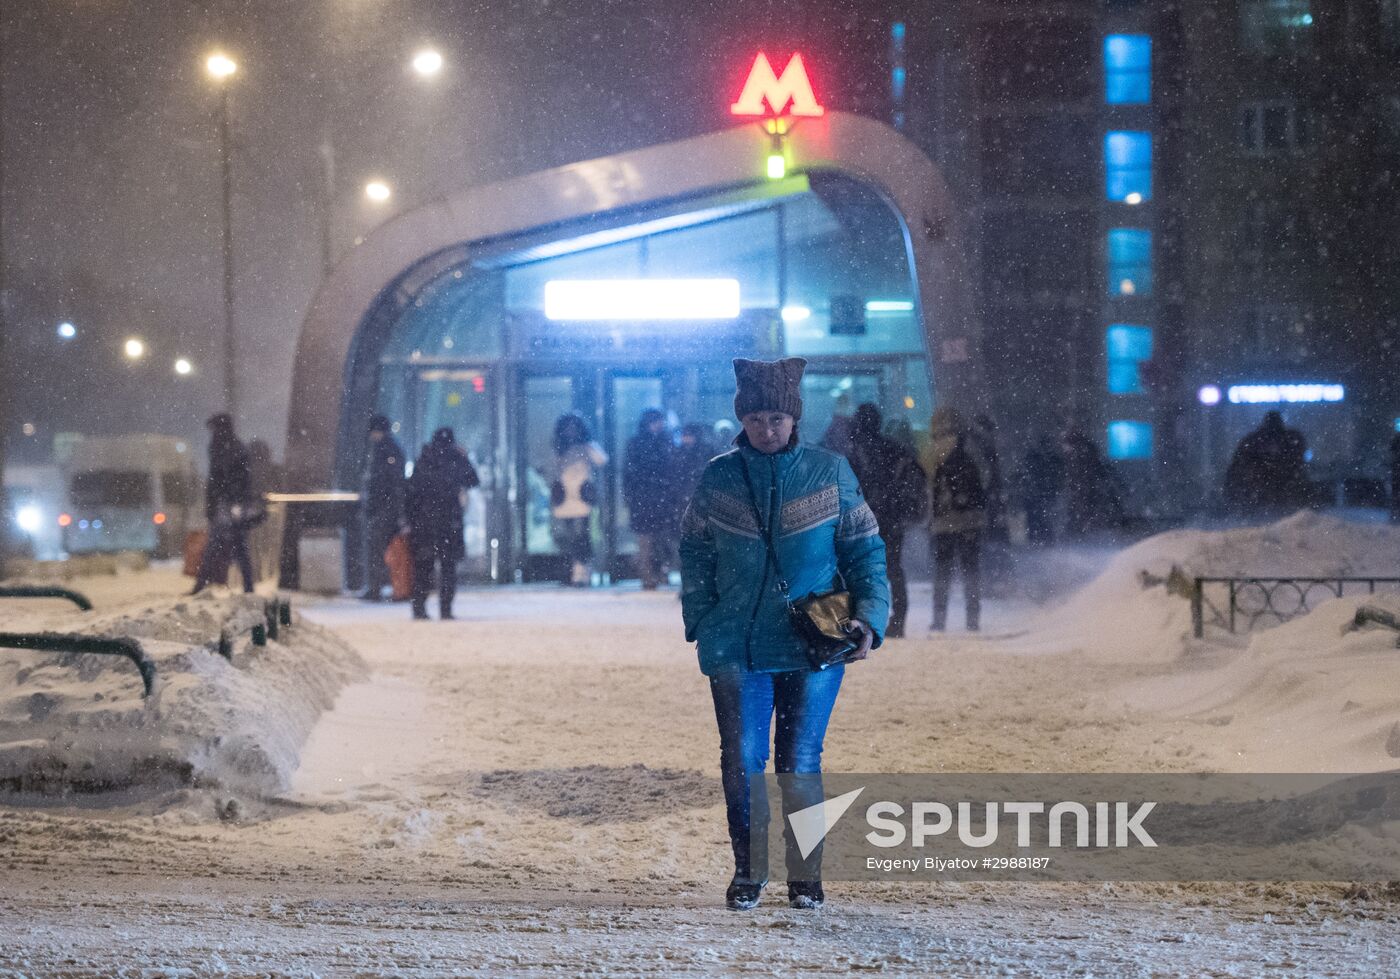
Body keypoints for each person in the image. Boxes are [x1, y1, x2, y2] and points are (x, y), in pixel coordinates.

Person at [680, 357, 890, 912]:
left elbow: (865, 549)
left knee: (799, 758)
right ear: (742, 420)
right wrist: (702, 617)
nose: (767, 428)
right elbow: (695, 552)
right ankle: (749, 870)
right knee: (742, 758)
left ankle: (805, 874)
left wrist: (869, 616)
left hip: (812, 642)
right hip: (736, 644)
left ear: (794, 418)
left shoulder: (831, 471)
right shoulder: (717, 476)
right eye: (755, 418)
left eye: (776, 417)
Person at [847, 403, 926, 638]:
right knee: (893, 569)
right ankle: (898, 619)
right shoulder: (895, 450)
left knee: (860, 570)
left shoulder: (856, 452)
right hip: (891, 518)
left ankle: (862, 621)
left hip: (863, 521)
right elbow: (915, 476)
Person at [921, 407, 987, 632]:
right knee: (969, 571)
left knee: (944, 572)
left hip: (947, 523)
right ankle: (972, 618)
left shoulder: (941, 458)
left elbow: (935, 491)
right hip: (967, 522)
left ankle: (941, 619)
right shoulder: (968, 454)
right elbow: (980, 488)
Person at [405, 427, 479, 620]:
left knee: (423, 567)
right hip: (449, 521)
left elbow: (412, 493)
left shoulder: (424, 459)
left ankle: (419, 608)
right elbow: (473, 480)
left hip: (425, 523)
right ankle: (445, 609)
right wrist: (464, 457)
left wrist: (411, 519)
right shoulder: (455, 458)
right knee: (448, 567)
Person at [191, 413, 257, 594]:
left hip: (227, 505)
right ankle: (247, 587)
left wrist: (220, 502)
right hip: (229, 505)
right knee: (235, 547)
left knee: (217, 547)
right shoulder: (230, 447)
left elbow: (218, 480)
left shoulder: (224, 448)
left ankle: (201, 585)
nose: (212, 432)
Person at [622, 408, 678, 589]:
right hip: (650, 498)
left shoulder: (657, 442)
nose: (660, 425)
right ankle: (649, 574)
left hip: (653, 498)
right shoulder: (658, 443)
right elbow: (630, 473)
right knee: (648, 539)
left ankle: (655, 572)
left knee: (656, 539)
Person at [550, 412, 608, 586]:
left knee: (582, 535)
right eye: (567, 428)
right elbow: (551, 467)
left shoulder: (587, 446)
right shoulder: (558, 447)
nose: (571, 431)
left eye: (574, 428)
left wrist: (588, 445)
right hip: (564, 497)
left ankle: (582, 572)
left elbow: (602, 460)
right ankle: (571, 570)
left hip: (582, 497)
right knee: (568, 537)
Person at [1223, 410, 1309, 516]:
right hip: (1270, 486)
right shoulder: (1290, 439)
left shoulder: (1253, 440)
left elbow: (1239, 462)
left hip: (1268, 486)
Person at [359, 415, 406, 601]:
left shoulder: (383, 450)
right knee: (387, 550)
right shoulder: (391, 449)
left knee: (376, 550)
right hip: (387, 508)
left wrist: (376, 503)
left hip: (383, 508)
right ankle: (393, 587)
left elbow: (384, 481)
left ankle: (376, 588)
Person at [1062, 430, 1126, 539]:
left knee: (1086, 509)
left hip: (1088, 487)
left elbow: (1089, 471)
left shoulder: (1082, 456)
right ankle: (1082, 532)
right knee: (1083, 509)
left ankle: (1083, 532)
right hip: (1087, 487)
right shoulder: (1082, 456)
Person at [1020, 433, 1065, 548]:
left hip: (1042, 493)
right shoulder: (1044, 459)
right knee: (1042, 518)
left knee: (1043, 518)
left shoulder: (1040, 459)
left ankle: (1042, 540)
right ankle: (1041, 539)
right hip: (1040, 494)